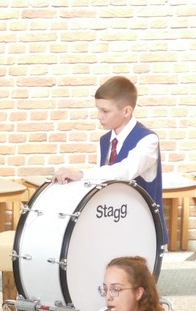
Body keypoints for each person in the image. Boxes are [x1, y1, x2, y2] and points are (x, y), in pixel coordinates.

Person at [52, 75, 164, 239]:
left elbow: (125, 171)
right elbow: (103, 179)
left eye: (105, 111)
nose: (99, 116)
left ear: (126, 111)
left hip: (143, 231)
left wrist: (81, 174)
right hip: (113, 226)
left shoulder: (148, 140)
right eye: (98, 109)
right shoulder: (104, 141)